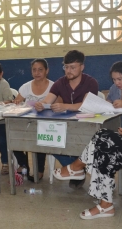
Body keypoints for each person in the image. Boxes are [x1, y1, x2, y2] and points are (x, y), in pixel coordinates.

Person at [52, 62, 122, 220]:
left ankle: (78, 169)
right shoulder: (115, 90)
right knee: (104, 145)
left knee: (103, 141)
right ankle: (105, 203)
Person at [35, 50, 98, 188]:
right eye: (66, 67)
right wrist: (41, 105)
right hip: (65, 125)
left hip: (85, 126)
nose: (68, 71)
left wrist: (65, 106)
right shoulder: (60, 83)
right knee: (48, 140)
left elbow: (87, 105)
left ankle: (76, 169)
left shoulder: (91, 82)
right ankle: (76, 169)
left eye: (72, 67)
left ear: (82, 67)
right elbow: (47, 101)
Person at [13, 58, 54, 181]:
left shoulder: (54, 86)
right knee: (11, 134)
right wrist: (17, 102)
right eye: (34, 70)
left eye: (40, 70)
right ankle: (23, 163)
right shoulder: (26, 87)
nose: (37, 73)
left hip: (46, 123)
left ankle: (39, 170)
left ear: (47, 71)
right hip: (27, 122)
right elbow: (18, 102)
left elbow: (59, 103)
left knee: (40, 136)